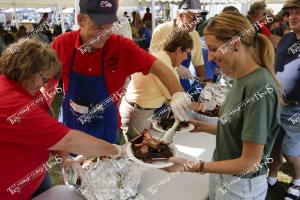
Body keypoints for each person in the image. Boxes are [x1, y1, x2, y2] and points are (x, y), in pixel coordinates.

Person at [164, 11, 282, 200]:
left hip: (240, 187)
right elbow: (240, 131)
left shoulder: (259, 87)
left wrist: (195, 167)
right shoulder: (241, 78)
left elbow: (250, 162)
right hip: (223, 176)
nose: (209, 57)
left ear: (235, 44)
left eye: (213, 48)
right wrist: (207, 127)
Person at [51, 0, 191, 145]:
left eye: (109, 26)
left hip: (106, 132)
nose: (104, 34)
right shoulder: (61, 45)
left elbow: (159, 67)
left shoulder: (122, 47)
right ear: (81, 20)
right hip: (72, 130)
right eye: (98, 27)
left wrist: (177, 93)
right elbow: (46, 87)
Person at [0, 39, 124, 200]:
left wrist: (65, 158)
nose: (46, 82)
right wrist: (117, 150)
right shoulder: (11, 102)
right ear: (27, 70)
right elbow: (69, 140)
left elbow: (49, 133)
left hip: (35, 177)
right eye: (44, 77)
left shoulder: (29, 90)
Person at [120, 31, 193, 140]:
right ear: (178, 50)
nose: (187, 58)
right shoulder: (166, 67)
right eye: (187, 53)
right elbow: (176, 101)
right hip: (138, 114)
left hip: (132, 108)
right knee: (137, 150)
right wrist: (201, 106)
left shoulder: (156, 55)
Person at [268, 1, 300, 199]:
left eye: (298, 13)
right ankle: (272, 173)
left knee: (291, 150)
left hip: (297, 109)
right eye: (291, 13)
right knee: (273, 144)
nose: (293, 17)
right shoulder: (288, 37)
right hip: (277, 103)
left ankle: (298, 180)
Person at [150, 0, 206, 91]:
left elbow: (199, 64)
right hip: (161, 87)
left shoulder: (194, 35)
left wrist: (203, 86)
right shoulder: (161, 30)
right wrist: (176, 68)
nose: (196, 21)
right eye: (193, 18)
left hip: (183, 87)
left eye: (198, 17)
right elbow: (151, 60)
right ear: (180, 15)